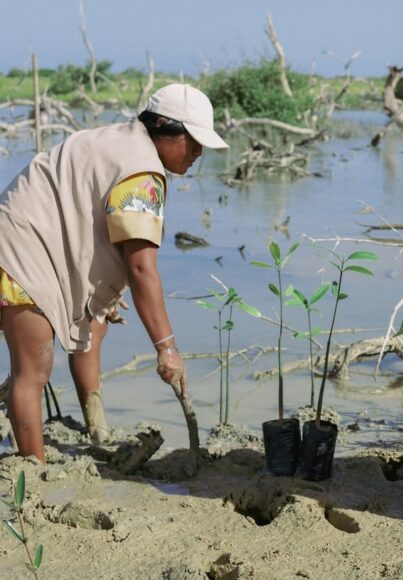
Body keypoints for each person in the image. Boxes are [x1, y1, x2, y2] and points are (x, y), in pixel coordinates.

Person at [0, 83, 229, 461]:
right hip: (23, 248)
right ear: (164, 129)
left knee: (95, 323)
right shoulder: (141, 175)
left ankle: (97, 430)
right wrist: (167, 348)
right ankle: (34, 473)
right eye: (192, 141)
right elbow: (141, 268)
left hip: (35, 236)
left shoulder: (119, 139)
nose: (198, 153)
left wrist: (102, 295)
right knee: (33, 370)